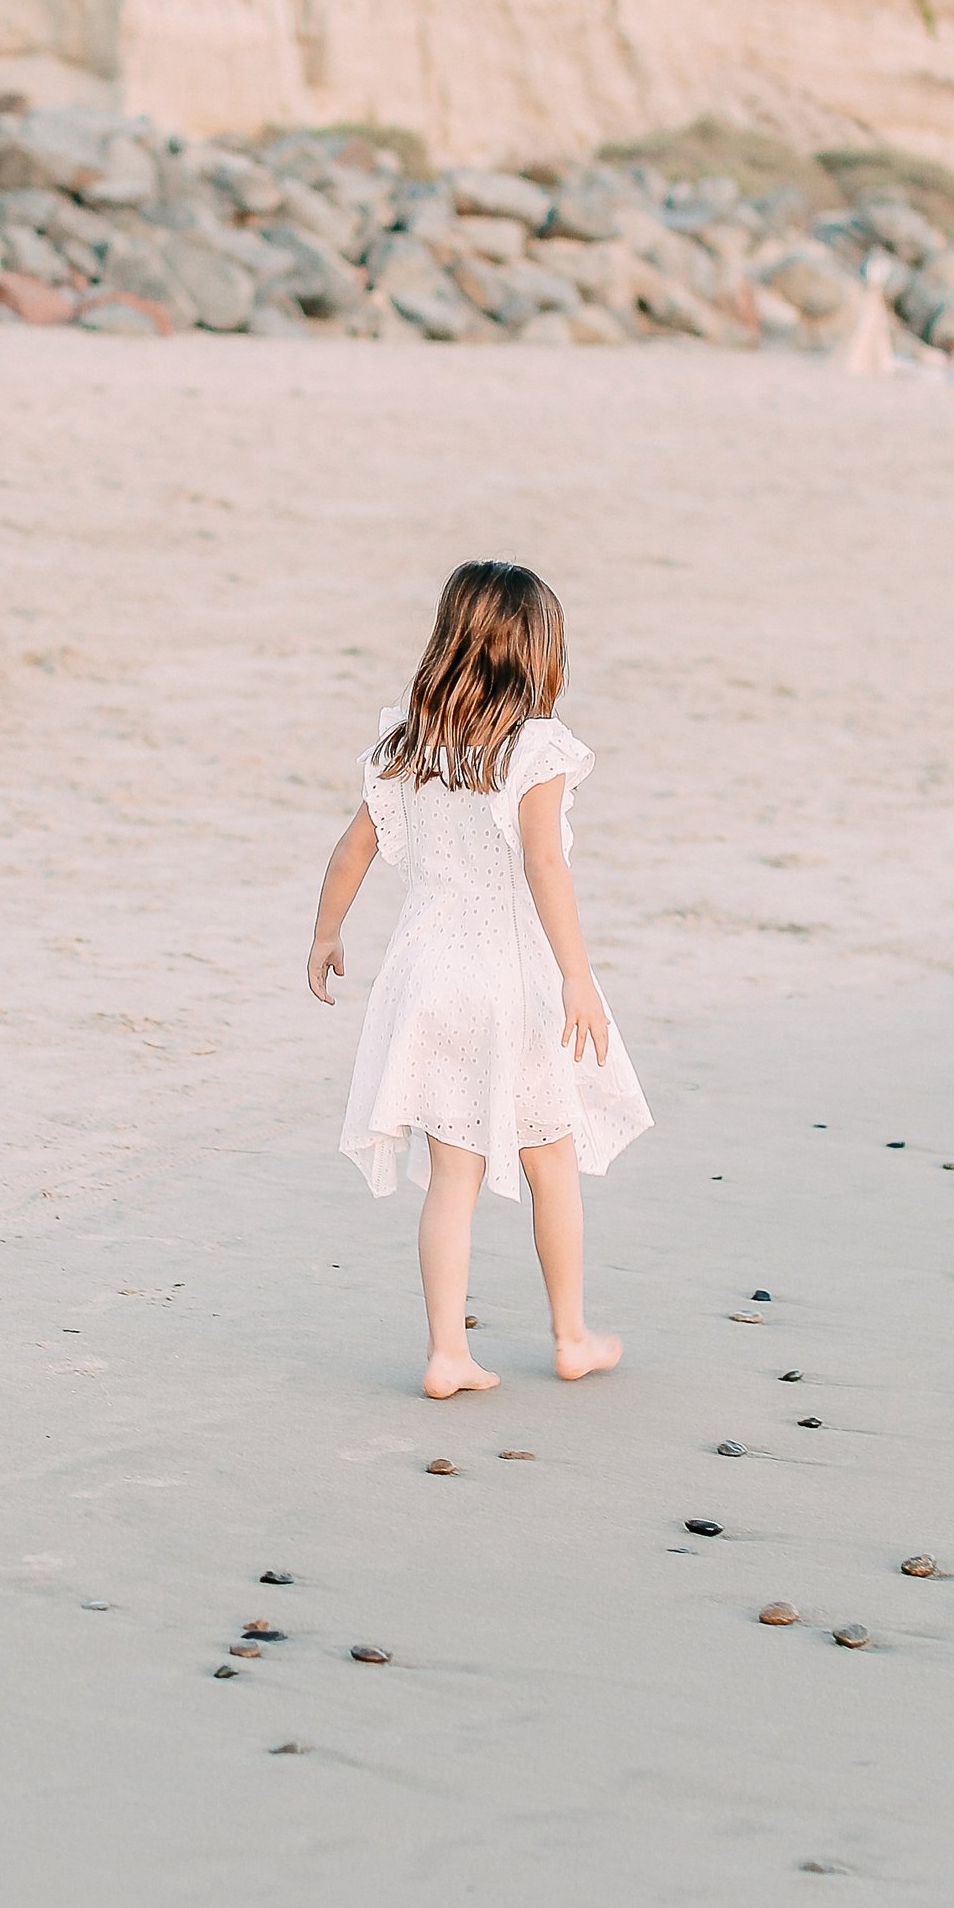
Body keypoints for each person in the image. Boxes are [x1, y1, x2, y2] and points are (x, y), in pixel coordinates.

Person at [307, 559, 653, 1398]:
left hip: (427, 977)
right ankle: (570, 1335)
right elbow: (542, 864)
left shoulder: (409, 742)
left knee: (452, 1175)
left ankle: (445, 1352)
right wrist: (577, 979)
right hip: (514, 976)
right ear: (540, 653)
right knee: (553, 1161)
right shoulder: (536, 749)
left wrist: (325, 933)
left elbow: (355, 845)